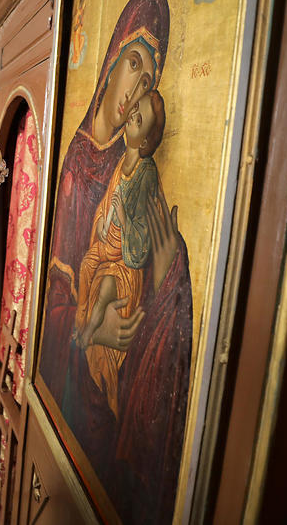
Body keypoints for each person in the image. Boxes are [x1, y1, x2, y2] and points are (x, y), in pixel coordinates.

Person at [38, 0, 193, 525]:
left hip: (111, 377)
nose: (137, 85)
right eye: (134, 62)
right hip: (75, 379)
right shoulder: (77, 166)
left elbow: (141, 253)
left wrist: (173, 271)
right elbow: (51, 294)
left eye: (150, 79)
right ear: (111, 63)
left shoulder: (136, 169)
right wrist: (92, 332)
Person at [75, 89, 167, 418]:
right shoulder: (120, 164)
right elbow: (107, 206)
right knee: (86, 268)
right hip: (106, 247)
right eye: (133, 111)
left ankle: (88, 332)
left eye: (140, 119)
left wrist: (123, 219)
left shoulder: (145, 172)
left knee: (102, 292)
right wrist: (102, 222)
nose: (131, 117)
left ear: (146, 141)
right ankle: (83, 323)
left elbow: (140, 233)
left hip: (126, 264)